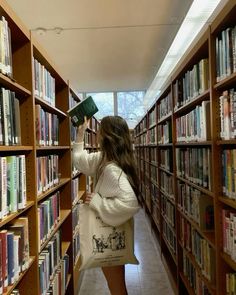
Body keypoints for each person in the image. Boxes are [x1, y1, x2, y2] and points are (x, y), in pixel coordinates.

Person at [73, 115, 140, 295]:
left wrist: (98, 202)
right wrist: (80, 136)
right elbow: (81, 162)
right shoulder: (106, 159)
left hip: (110, 234)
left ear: (107, 137)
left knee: (116, 287)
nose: (97, 136)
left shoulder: (111, 169)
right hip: (112, 232)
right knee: (115, 285)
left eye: (100, 132)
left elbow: (130, 203)